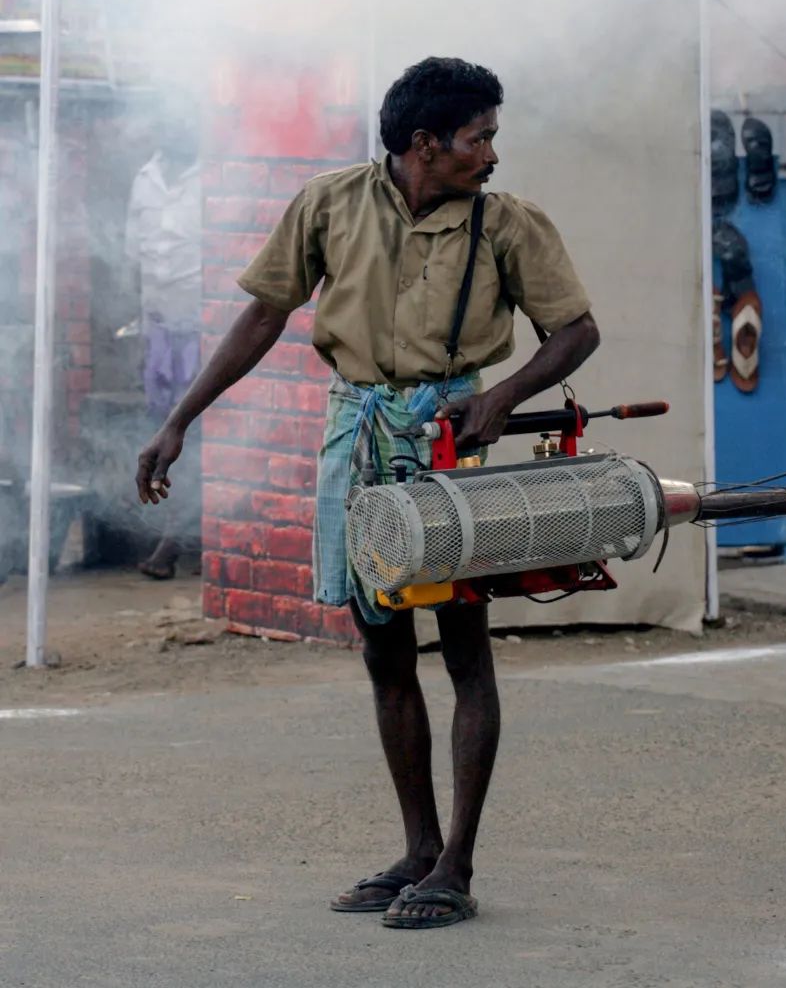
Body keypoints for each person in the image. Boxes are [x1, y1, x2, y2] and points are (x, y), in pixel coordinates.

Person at [135, 57, 600, 929]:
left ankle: (456, 866)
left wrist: (500, 397)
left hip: (449, 446)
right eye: (478, 138)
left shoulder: (507, 223)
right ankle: (417, 850)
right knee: (384, 652)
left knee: (465, 651)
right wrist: (179, 420)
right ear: (424, 145)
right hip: (354, 440)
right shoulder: (330, 203)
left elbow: (577, 331)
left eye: (491, 137)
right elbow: (264, 314)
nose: (492, 154)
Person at [126, 112, 203, 579]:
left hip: (202, 332)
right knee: (166, 432)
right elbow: (137, 259)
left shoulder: (211, 179)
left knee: (196, 434)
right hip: (159, 329)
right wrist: (142, 331)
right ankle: (181, 533)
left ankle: (176, 540)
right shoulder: (144, 179)